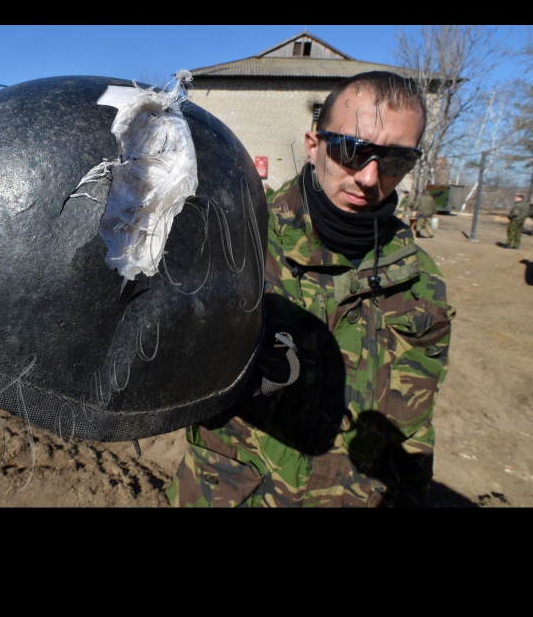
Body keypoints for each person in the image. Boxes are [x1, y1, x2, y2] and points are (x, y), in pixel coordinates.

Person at [166, 71, 455, 508]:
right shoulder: (237, 243)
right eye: (352, 151)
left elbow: (412, 432)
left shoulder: (420, 283)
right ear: (313, 144)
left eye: (395, 160)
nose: (369, 177)